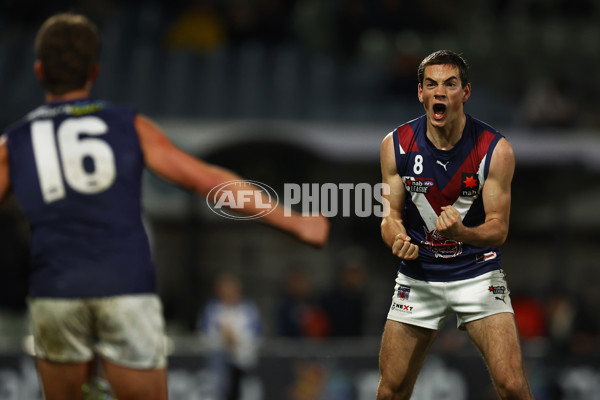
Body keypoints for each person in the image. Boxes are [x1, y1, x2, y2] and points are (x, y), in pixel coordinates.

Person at [0, 13, 329, 400]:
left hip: (56, 291)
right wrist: (292, 220)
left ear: (38, 71)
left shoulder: (14, 143)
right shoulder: (128, 126)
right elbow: (208, 181)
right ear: (95, 72)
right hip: (123, 287)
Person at [377, 50, 533, 399]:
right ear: (420, 93)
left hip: (476, 273)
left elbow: (499, 229)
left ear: (465, 92)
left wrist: (461, 233)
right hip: (419, 275)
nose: (440, 92)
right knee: (391, 390)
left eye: (450, 84)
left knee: (512, 384)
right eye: (431, 84)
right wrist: (397, 238)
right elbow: (390, 217)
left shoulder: (495, 149)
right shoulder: (396, 145)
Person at [198, 272, 262, 400]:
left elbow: (257, 335)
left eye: (231, 289)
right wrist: (223, 340)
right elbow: (204, 335)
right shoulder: (211, 309)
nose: (228, 293)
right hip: (218, 364)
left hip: (244, 363)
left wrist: (237, 340)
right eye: (224, 289)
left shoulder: (249, 309)